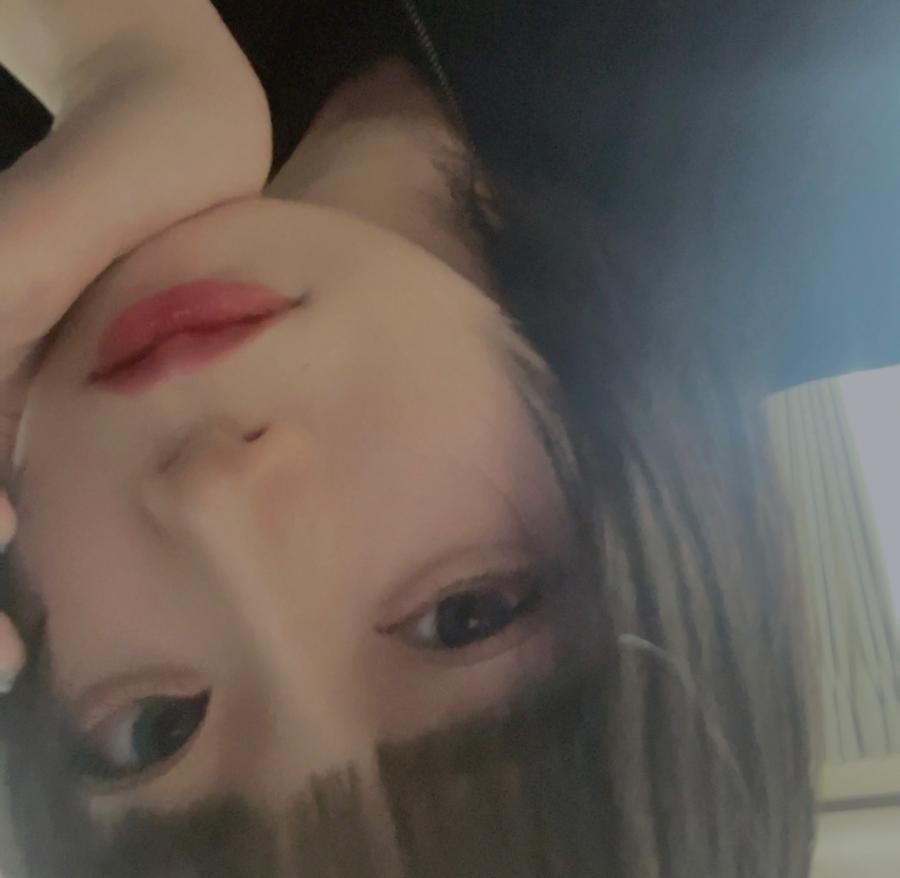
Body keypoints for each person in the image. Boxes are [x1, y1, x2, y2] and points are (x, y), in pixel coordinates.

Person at [0, 0, 897, 875]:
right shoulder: (829, 126)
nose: (216, 498)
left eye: (156, 728)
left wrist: (117, 58)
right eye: (465, 614)